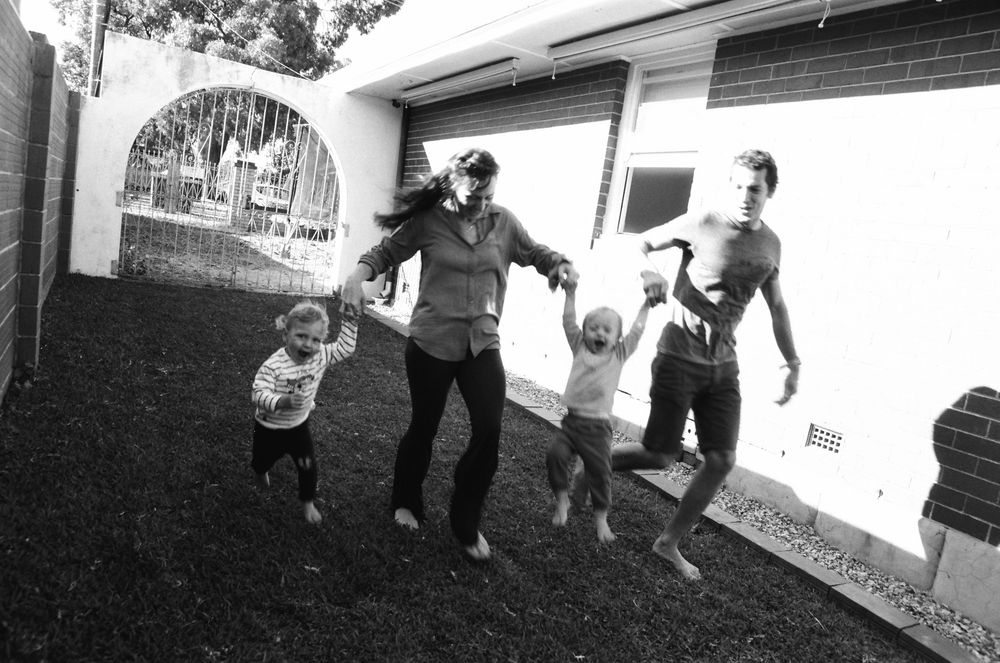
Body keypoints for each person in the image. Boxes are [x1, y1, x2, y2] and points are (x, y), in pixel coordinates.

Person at [340, 147, 578, 562]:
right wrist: (356, 277)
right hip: (432, 341)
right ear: (454, 187)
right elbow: (387, 252)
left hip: (482, 343)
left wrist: (558, 264)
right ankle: (406, 501)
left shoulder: (503, 222)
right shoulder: (429, 219)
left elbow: (534, 252)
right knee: (424, 426)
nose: (482, 206)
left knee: (489, 429)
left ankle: (465, 519)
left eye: (489, 197)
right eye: (474, 198)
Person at [611, 148, 800, 580]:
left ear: (770, 191)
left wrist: (792, 362)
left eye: (754, 189)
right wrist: (648, 273)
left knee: (721, 459)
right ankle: (595, 462)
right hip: (679, 353)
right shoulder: (703, 222)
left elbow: (777, 306)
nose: (744, 196)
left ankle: (668, 542)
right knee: (660, 455)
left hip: (723, 365)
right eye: (737, 186)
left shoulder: (771, 243)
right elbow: (639, 243)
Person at [546, 278, 649, 542]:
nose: (599, 334)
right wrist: (571, 293)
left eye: (606, 330)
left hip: (597, 430)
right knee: (555, 455)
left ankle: (601, 520)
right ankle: (562, 501)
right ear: (585, 331)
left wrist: (647, 304)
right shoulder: (579, 346)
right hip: (572, 425)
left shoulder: (619, 354)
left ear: (617, 338)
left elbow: (637, 331)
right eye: (593, 328)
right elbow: (568, 321)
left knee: (600, 474)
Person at [251, 300, 358, 524]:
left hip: (298, 426)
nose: (308, 344)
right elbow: (258, 394)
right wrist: (283, 401)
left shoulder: (321, 356)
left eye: (316, 339)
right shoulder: (273, 366)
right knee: (262, 460)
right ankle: (261, 472)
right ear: (285, 336)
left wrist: (350, 321)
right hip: (269, 428)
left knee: (308, 465)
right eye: (301, 336)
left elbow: (345, 347)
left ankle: (307, 504)